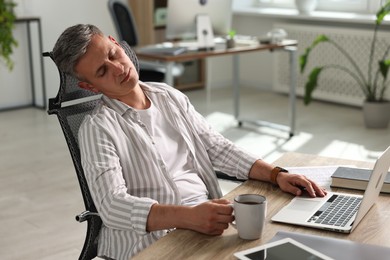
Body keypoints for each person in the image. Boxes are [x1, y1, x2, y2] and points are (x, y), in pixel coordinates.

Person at [52, 24, 326, 260]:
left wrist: (277, 174)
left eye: (113, 55)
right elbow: (112, 206)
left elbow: (216, 147)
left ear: (115, 43)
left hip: (209, 220)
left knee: (297, 238)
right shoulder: (97, 128)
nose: (117, 68)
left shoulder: (169, 96)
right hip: (153, 241)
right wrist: (189, 216)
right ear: (90, 87)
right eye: (102, 71)